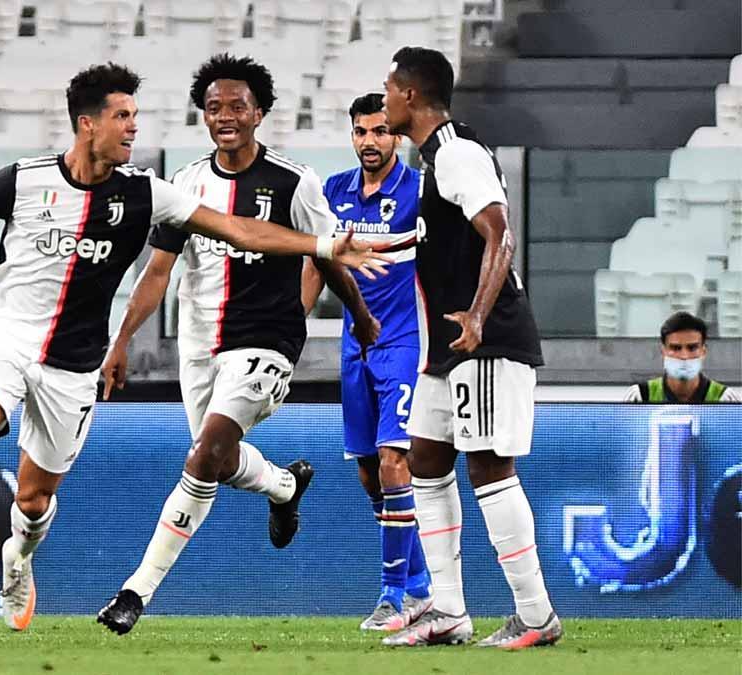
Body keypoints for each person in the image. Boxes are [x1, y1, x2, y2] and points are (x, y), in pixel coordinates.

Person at [0, 63, 388, 634]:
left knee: (32, 499)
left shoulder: (149, 192)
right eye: (122, 117)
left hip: (74, 362)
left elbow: (239, 229)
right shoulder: (22, 181)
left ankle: (18, 562)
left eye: (135, 117)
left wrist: (323, 244)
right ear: (87, 124)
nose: (132, 129)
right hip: (7, 333)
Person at [95, 54, 383, 636]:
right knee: (217, 459)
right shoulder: (187, 185)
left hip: (268, 338)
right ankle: (282, 484)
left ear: (260, 113)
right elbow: (158, 272)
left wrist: (361, 317)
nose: (225, 117)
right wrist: (121, 339)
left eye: (237, 107)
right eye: (214, 108)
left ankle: (135, 592)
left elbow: (325, 255)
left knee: (205, 453)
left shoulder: (293, 182)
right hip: (201, 341)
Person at [380, 47, 562, 649]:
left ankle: (536, 616)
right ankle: (450, 611)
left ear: (410, 95)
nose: (383, 102)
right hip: (448, 346)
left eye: (388, 91)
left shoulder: (457, 153)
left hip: (481, 338)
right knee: (427, 463)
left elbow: (499, 230)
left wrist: (479, 316)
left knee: (487, 465)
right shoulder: (437, 159)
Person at [302, 92, 432, 632]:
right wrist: (294, 324)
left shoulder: (421, 192)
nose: (370, 141)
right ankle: (424, 587)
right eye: (360, 132)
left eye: (379, 131)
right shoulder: (333, 193)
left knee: (393, 461)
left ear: (396, 136)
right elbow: (317, 261)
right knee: (367, 473)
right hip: (354, 345)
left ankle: (393, 597)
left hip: (404, 342)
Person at [624, 311, 741, 402]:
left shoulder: (726, 399)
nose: (684, 356)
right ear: (663, 351)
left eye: (692, 348)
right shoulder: (639, 397)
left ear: (703, 351)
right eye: (676, 348)